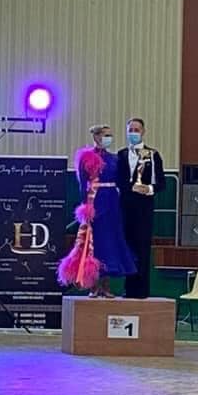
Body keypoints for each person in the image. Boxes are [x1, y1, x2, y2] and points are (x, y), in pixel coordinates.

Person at [58, 124, 136, 298]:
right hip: (96, 201)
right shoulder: (86, 157)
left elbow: (121, 181)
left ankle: (106, 285)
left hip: (112, 202)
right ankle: (93, 284)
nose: (108, 138)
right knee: (94, 243)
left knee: (110, 242)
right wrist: (85, 205)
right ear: (96, 137)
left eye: (110, 135)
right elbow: (82, 184)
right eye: (105, 135)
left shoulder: (115, 159)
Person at [116, 118, 166, 298]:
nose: (133, 133)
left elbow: (162, 183)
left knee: (142, 247)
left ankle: (142, 290)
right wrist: (129, 188)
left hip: (144, 207)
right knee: (127, 247)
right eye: (130, 129)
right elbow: (118, 180)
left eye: (137, 130)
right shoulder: (121, 155)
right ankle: (128, 288)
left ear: (143, 132)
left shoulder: (152, 154)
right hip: (125, 206)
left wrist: (149, 189)